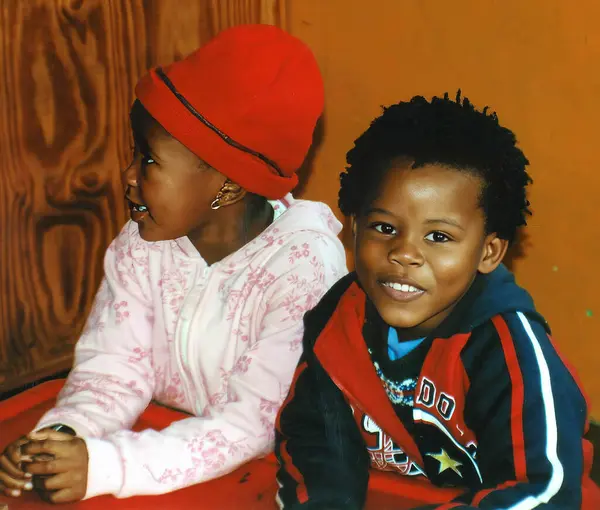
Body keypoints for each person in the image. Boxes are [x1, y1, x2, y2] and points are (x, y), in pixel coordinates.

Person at [0, 24, 347, 503]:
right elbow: (113, 370)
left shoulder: (304, 265)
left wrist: (108, 466)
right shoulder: (142, 244)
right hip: (167, 453)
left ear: (227, 184)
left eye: (147, 161)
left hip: (274, 475)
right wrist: (63, 436)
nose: (127, 177)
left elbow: (254, 425)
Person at [275, 92, 599, 509]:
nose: (405, 254)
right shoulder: (339, 318)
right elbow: (315, 444)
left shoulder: (509, 350)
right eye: (384, 227)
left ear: (489, 253)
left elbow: (543, 490)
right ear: (353, 229)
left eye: (439, 237)